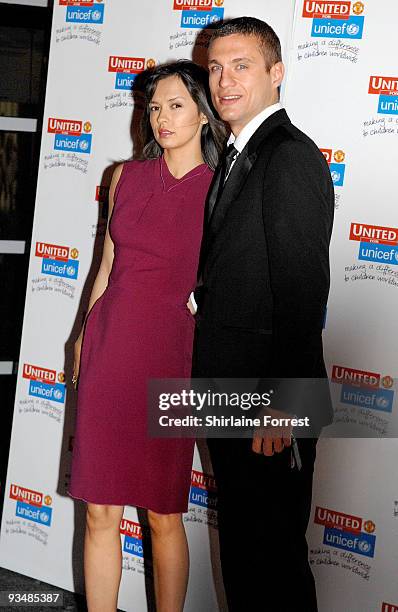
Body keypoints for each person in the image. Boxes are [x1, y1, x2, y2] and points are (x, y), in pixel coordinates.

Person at [68, 60, 225, 612]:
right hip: (111, 347)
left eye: (175, 104)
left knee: (163, 514)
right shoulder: (124, 179)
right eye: (153, 106)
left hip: (173, 357)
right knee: (100, 510)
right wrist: (83, 338)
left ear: (204, 113)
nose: (160, 116)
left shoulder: (222, 189)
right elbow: (106, 269)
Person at [192, 17, 334, 612]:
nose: (224, 80)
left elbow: (302, 293)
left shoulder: (289, 157)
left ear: (277, 73)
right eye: (216, 68)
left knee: (273, 561)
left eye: (241, 65)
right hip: (230, 389)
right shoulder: (234, 154)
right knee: (248, 558)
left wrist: (283, 400)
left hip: (268, 399)